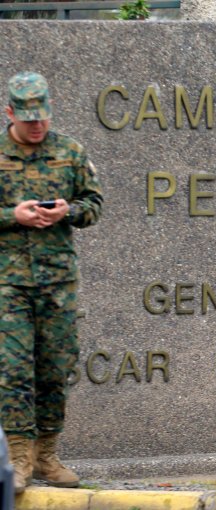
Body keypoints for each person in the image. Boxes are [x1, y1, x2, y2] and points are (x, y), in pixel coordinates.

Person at [0, 71, 102, 494]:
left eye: (42, 117)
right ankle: (18, 459)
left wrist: (68, 212)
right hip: (9, 283)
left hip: (58, 282)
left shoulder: (70, 152)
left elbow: (94, 204)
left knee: (55, 368)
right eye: (28, 120)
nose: (37, 126)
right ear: (10, 113)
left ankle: (47, 454)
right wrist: (13, 216)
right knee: (13, 370)